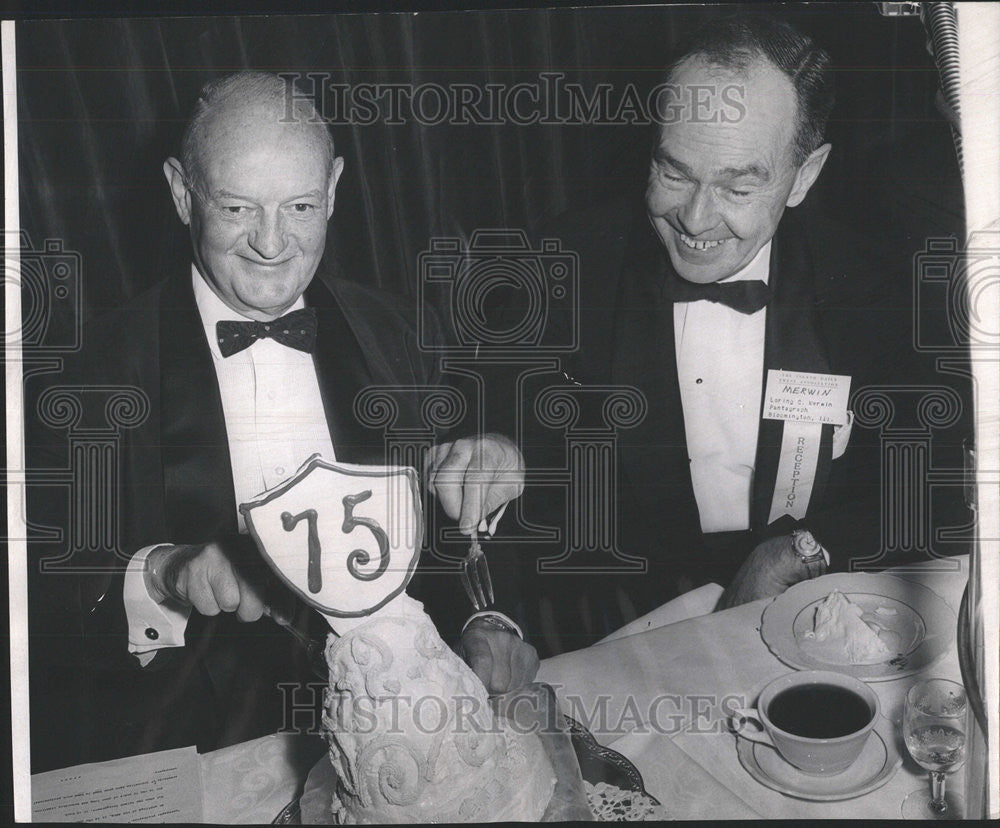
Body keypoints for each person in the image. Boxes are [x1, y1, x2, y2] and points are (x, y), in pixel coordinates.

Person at [25, 71, 533, 772]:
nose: (271, 244)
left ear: (332, 190)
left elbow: (460, 536)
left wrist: (485, 615)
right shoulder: (93, 372)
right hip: (205, 749)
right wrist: (159, 573)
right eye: (236, 208)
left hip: (408, 739)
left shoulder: (394, 329)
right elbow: (41, 595)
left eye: (299, 206)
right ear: (181, 193)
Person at [502, 12, 956, 653]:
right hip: (627, 623)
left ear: (804, 176)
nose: (694, 218)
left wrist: (802, 549)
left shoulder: (880, 285)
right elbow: (508, 466)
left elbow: (932, 483)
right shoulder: (559, 266)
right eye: (675, 172)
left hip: (820, 613)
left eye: (739, 186)